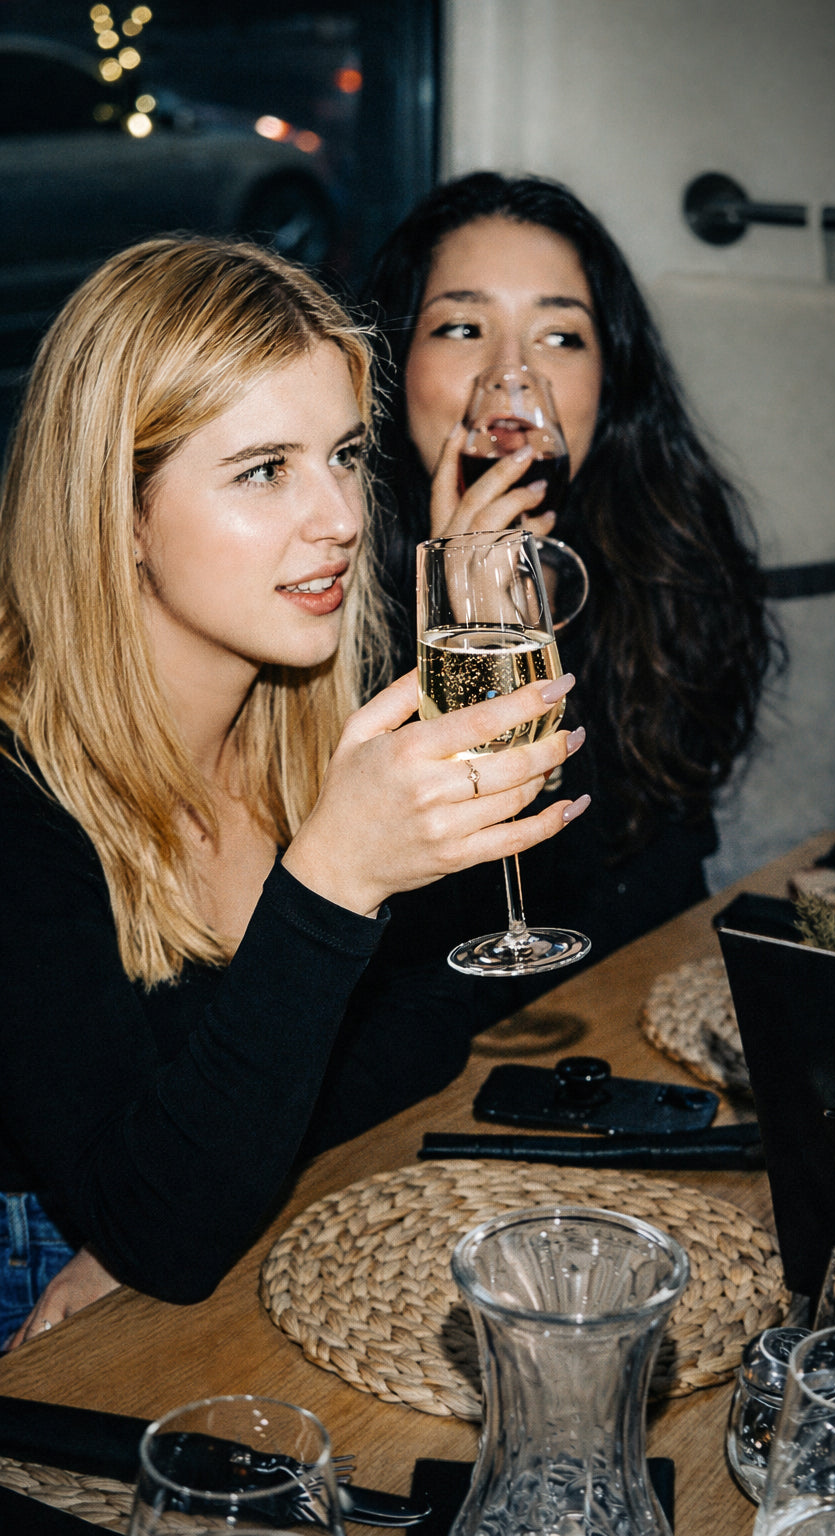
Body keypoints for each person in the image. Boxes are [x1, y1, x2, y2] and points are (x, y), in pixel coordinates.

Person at [0, 235, 589, 1347]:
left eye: (347, 455)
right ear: (118, 514)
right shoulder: (20, 803)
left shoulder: (306, 725)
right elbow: (163, 1230)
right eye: (265, 469)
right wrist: (329, 884)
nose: (342, 517)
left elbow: (446, 1017)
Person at [362, 172, 773, 981]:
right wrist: (466, 606)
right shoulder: (323, 583)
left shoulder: (670, 549)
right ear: (395, 362)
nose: (511, 380)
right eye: (463, 327)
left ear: (610, 379)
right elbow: (419, 935)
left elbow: (645, 881)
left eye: (559, 338)